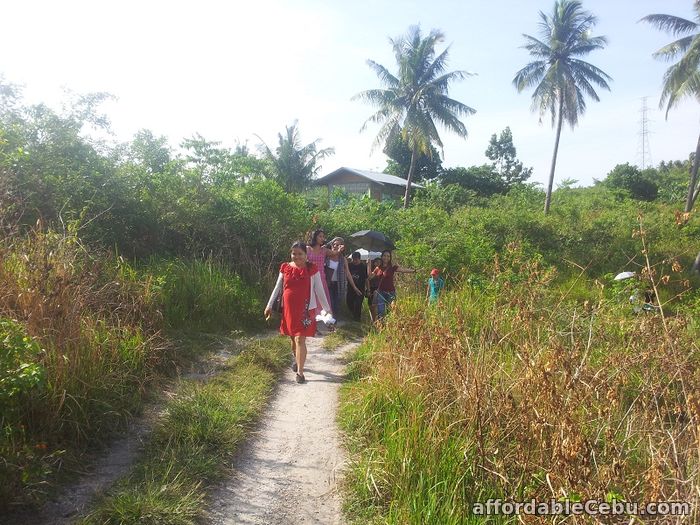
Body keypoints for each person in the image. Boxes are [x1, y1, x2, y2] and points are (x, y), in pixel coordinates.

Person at [264, 241, 333, 384]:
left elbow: (319, 290)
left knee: (300, 339)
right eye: (294, 253)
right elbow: (277, 287)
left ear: (306, 255)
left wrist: (327, 309)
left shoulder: (312, 269)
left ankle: (300, 373)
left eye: (300, 254)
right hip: (288, 310)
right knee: (292, 339)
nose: (297, 256)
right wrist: (269, 305)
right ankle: (297, 359)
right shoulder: (285, 268)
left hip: (306, 310)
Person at [372, 250, 416, 320]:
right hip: (380, 293)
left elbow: (403, 270)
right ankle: (381, 328)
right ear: (382, 257)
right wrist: (368, 264)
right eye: (384, 256)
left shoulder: (392, 267)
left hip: (391, 293)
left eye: (388, 256)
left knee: (391, 312)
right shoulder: (378, 268)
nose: (386, 257)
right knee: (381, 312)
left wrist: (413, 271)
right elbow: (370, 276)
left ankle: (389, 327)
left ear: (390, 258)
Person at [306, 229, 342, 313]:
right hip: (309, 278)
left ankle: (323, 316)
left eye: (323, 236)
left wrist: (340, 250)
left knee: (321, 299)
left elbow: (334, 253)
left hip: (321, 278)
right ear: (314, 237)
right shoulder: (307, 249)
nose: (322, 238)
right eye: (320, 236)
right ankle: (310, 316)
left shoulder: (324, 250)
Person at [327, 237, 362, 319]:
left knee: (336, 303)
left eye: (339, 245)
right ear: (332, 245)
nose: (336, 246)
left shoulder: (342, 259)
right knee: (330, 302)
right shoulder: (326, 257)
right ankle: (330, 320)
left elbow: (348, 274)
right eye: (335, 244)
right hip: (328, 284)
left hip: (339, 284)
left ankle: (334, 320)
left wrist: (354, 287)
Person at [347, 251, 368, 321]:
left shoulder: (363, 267)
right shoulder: (349, 265)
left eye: (356, 259)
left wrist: (367, 288)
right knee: (349, 302)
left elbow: (366, 278)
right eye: (353, 259)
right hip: (350, 288)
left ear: (360, 259)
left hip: (360, 288)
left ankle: (357, 318)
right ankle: (353, 313)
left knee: (358, 303)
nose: (355, 261)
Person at [366, 257, 381, 323]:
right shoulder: (373, 271)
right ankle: (373, 320)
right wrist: (368, 290)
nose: (378, 263)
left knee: (376, 306)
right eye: (377, 262)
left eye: (380, 262)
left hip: (378, 289)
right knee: (370, 305)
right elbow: (368, 279)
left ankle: (376, 320)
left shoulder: (381, 271)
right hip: (371, 289)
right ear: (374, 263)